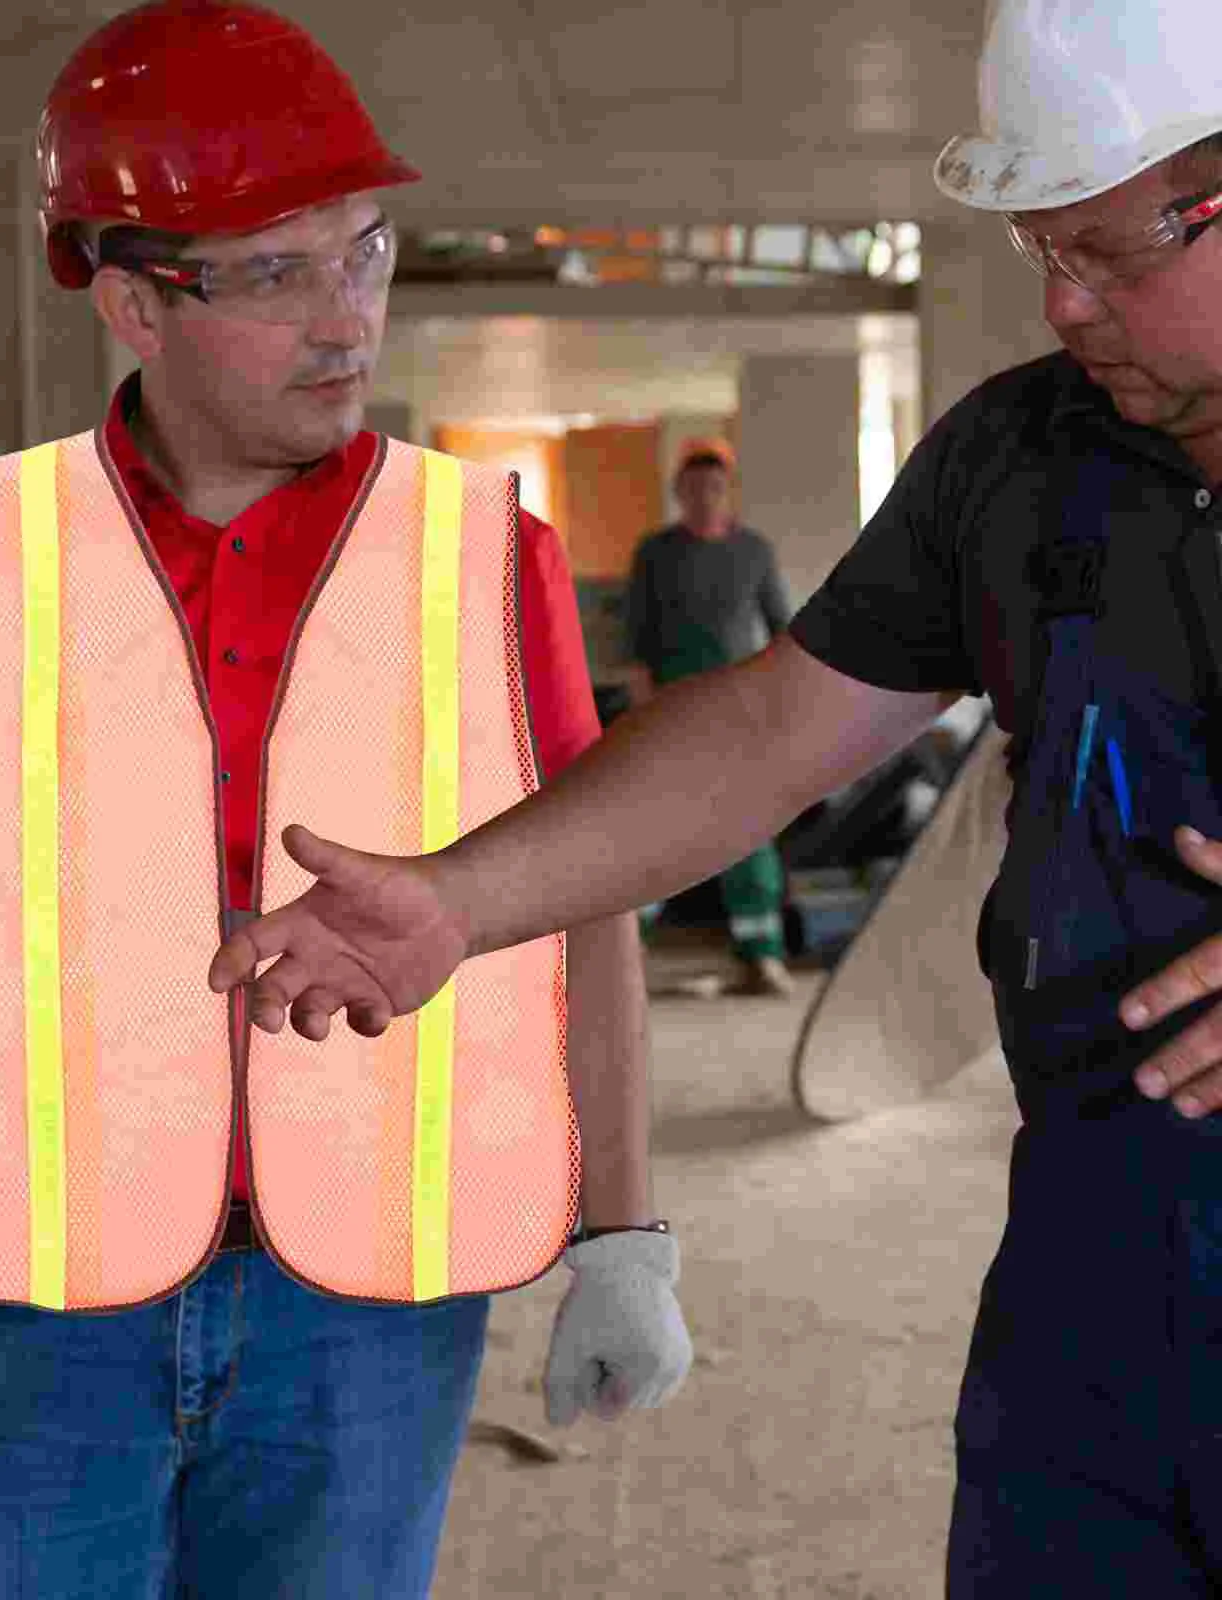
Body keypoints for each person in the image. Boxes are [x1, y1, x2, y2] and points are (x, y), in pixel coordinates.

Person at [210, 1, 1222, 1591]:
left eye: (1110, 251)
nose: (1063, 300)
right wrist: (466, 899)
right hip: (1097, 1253)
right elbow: (768, 729)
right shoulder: (1023, 463)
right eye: (1040, 247)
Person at [0, 5, 691, 1596]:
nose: (344, 322)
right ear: (135, 300)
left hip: (374, 1311)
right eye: (274, 275)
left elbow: (581, 906)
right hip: (39, 1304)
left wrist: (623, 1233)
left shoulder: (484, 564)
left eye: (363, 253)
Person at [626, 438, 794, 995]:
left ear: (728, 493)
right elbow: (635, 630)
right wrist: (640, 691)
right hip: (670, 706)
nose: (704, 496)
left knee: (747, 827)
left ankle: (761, 953)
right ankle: (625, 950)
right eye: (694, 487)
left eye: (715, 487)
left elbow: (782, 629)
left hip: (737, 708)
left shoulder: (754, 552)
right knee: (654, 825)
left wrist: (779, 700)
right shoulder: (655, 552)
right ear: (679, 492)